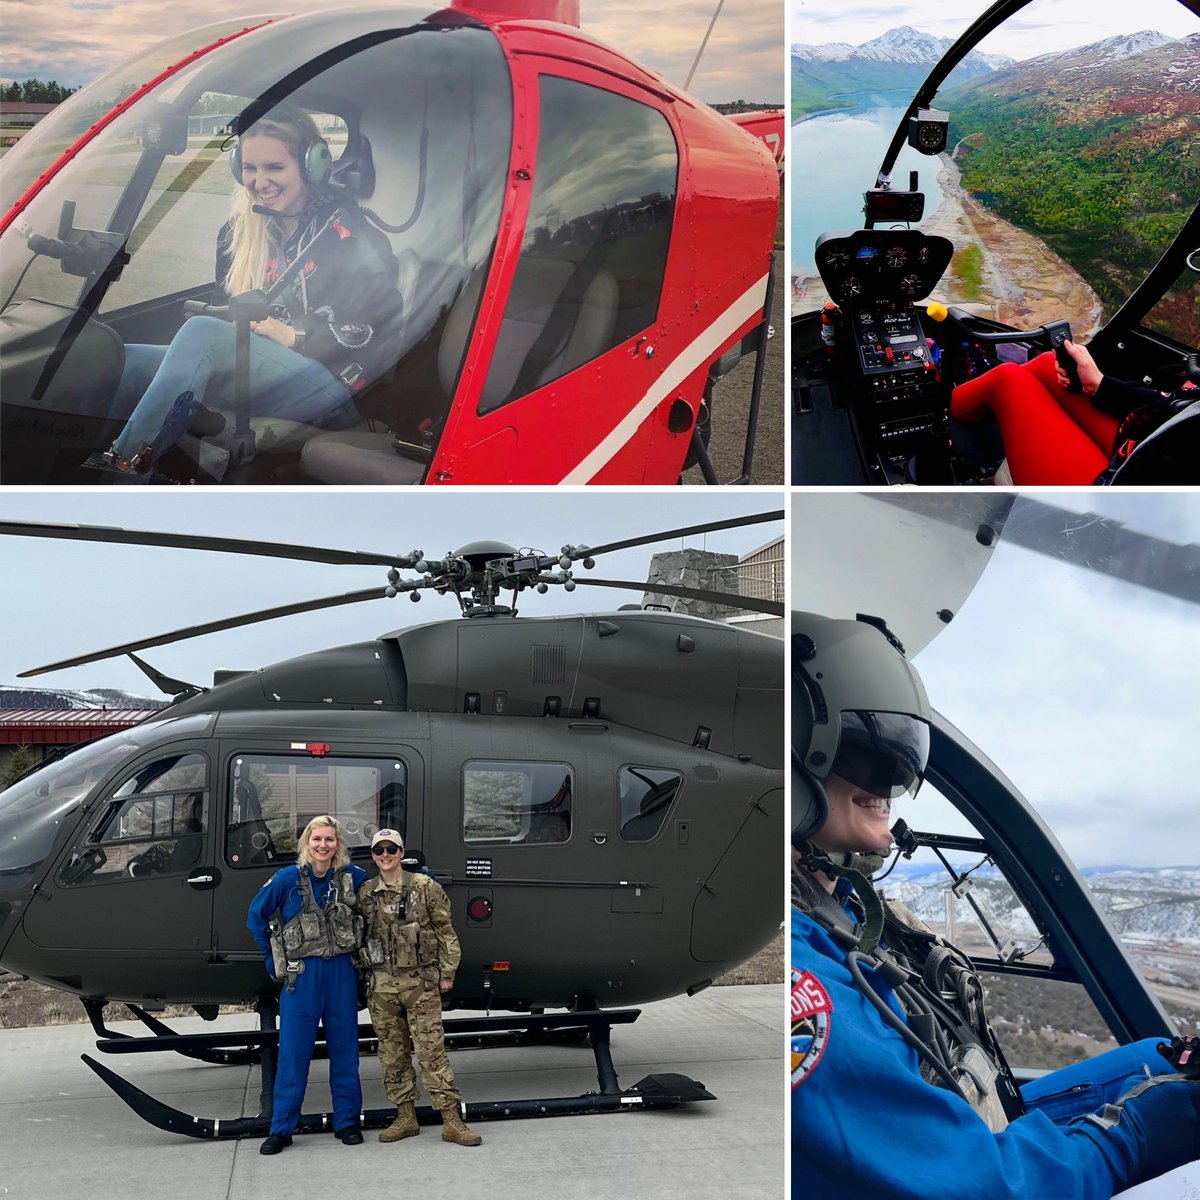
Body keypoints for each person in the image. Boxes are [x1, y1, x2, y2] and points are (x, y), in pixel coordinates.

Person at [791, 611, 1200, 1199]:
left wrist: (1161, 1074)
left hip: (962, 1149)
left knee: (1156, 1061)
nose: (891, 782)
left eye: (906, 758)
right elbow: (981, 1186)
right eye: (871, 756)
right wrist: (1136, 1131)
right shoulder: (810, 988)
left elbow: (966, 1118)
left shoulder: (851, 915)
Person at [88, 106, 402, 478]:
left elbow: (379, 328)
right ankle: (92, 457)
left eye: (274, 168)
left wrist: (295, 335)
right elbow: (230, 309)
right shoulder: (238, 234)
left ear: (311, 165)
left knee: (202, 333)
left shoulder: (350, 237)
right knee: (126, 358)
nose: (259, 181)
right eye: (250, 169)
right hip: (262, 371)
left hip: (335, 384)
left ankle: (124, 468)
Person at [247, 814, 369, 1155]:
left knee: (345, 1051)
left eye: (329, 840)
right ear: (306, 843)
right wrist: (273, 962)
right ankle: (282, 1128)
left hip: (341, 974)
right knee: (294, 1054)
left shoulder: (353, 878)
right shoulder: (287, 878)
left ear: (337, 845)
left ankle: (347, 1121)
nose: (323, 845)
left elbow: (383, 890)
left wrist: (420, 878)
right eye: (317, 839)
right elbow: (256, 916)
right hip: (302, 977)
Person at [357, 827, 481, 1147]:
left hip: (419, 983)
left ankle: (451, 1120)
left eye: (391, 849)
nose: (385, 855)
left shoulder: (425, 887)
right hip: (382, 988)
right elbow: (359, 938)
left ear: (401, 852)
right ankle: (405, 1116)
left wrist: (447, 972)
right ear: (373, 856)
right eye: (379, 850)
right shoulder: (366, 893)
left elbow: (446, 933)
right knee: (392, 1054)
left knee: (432, 1053)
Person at [950, 340, 1195, 484]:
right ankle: (950, 409)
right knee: (1048, 363)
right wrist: (1100, 385)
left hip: (1131, 500)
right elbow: (1179, 408)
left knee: (1006, 378)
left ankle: (936, 423)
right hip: (1159, 444)